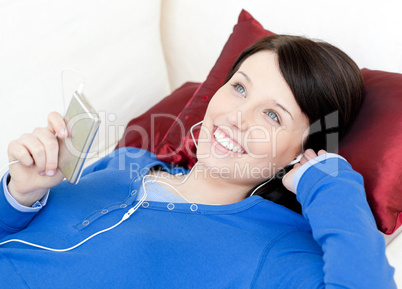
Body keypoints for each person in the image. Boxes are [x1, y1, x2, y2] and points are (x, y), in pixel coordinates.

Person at [0, 35, 396, 288]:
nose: (236, 117)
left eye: (273, 115)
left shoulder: (277, 248)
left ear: (301, 151)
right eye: (239, 88)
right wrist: (20, 192)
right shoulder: (127, 161)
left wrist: (328, 181)